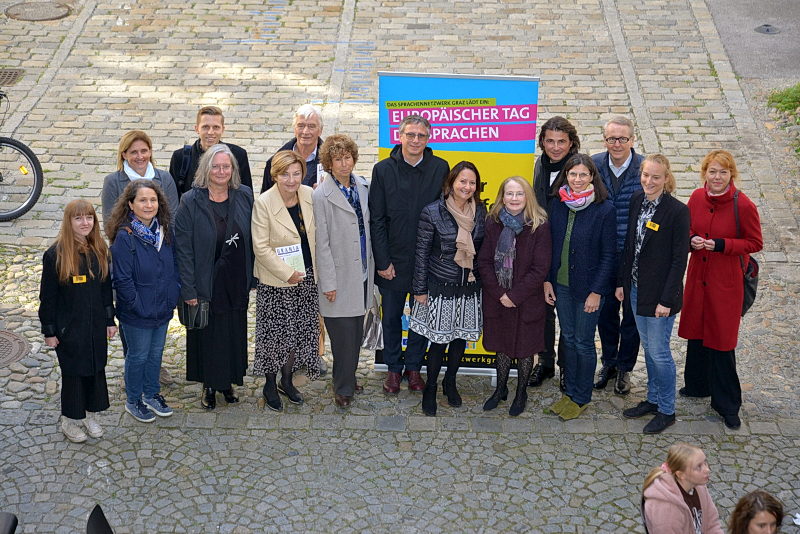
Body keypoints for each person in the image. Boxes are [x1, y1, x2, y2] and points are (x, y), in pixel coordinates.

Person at [678, 150, 763, 430]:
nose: (717, 177)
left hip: (725, 281)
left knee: (722, 340)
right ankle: (697, 385)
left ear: (731, 175)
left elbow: (755, 242)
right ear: (705, 173)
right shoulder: (696, 198)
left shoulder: (744, 205)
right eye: (712, 171)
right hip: (698, 278)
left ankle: (728, 404)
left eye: (723, 172)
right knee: (697, 333)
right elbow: (686, 228)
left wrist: (723, 244)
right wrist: (692, 239)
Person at [369, 114, 450, 394]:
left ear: (429, 139)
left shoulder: (440, 168)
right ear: (400, 136)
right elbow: (377, 219)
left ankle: (414, 367)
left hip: (426, 261)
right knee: (391, 317)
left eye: (421, 136)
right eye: (411, 135)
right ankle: (393, 368)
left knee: (421, 318)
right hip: (393, 260)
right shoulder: (382, 170)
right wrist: (383, 261)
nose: (416, 140)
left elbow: (445, 215)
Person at [174, 144, 254, 410]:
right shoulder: (190, 200)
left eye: (226, 166)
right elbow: (183, 248)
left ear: (233, 169)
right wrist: (189, 289)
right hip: (205, 280)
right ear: (206, 169)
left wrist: (253, 276)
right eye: (216, 166)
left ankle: (228, 382)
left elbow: (254, 237)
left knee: (233, 332)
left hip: (235, 279)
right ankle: (209, 384)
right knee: (208, 335)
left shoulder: (245, 195)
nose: (221, 171)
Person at [100, 130, 179, 386]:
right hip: (131, 256)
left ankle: (154, 367)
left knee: (156, 320)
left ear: (150, 152)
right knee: (133, 318)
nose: (139, 156)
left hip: (159, 253)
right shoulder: (113, 182)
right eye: (133, 152)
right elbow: (111, 223)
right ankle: (133, 366)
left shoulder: (164, 179)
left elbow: (173, 217)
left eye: (144, 151)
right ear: (124, 154)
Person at [618, 155, 690, 434]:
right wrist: (622, 282)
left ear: (666, 178)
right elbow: (630, 245)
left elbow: (678, 260)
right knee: (648, 349)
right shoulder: (637, 200)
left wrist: (666, 300)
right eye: (646, 175)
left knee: (660, 353)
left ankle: (667, 410)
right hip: (637, 289)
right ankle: (653, 399)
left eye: (656, 177)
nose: (649, 181)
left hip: (660, 295)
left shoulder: (677, 211)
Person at [410, 161, 486, 416]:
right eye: (462, 181)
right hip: (440, 287)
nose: (467, 186)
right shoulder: (432, 212)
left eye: (472, 182)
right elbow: (421, 254)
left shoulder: (480, 211)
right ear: (451, 183)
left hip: (469, 287)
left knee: (459, 340)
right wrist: (419, 290)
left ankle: (450, 382)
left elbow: (483, 250)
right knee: (438, 342)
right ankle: (431, 387)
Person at [543, 154, 615, 421]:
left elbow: (609, 255)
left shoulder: (604, 209)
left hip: (589, 289)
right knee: (568, 339)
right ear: (566, 176)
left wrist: (597, 291)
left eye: (583, 174)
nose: (577, 179)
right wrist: (547, 280)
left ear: (592, 177)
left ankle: (581, 397)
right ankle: (569, 393)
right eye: (573, 174)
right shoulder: (558, 204)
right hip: (561, 285)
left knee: (583, 343)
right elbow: (550, 246)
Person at [38, 200, 116, 443]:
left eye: (89, 218)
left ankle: (90, 415)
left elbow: (106, 290)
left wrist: (109, 320)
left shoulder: (99, 249)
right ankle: (70, 420)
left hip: (95, 327)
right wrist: (49, 330)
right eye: (78, 218)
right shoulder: (55, 255)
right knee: (74, 373)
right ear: (69, 222)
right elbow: (47, 297)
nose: (85, 223)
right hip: (69, 329)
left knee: (95, 369)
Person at [106, 181, 181, 423]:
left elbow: (174, 266)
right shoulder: (124, 237)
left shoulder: (164, 232)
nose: (149, 205)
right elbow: (122, 280)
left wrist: (173, 295)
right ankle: (133, 399)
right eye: (142, 200)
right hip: (137, 312)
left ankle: (151, 394)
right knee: (138, 356)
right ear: (131, 204)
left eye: (153, 200)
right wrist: (138, 306)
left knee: (155, 354)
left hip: (162, 308)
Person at [477, 177, 551, 416]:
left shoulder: (539, 225)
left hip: (526, 300)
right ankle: (500, 389)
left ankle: (521, 393)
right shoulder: (493, 222)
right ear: (502, 196)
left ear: (528, 197)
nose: (514, 198)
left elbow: (540, 268)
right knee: (502, 346)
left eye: (519, 194)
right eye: (509, 193)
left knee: (525, 349)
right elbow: (484, 262)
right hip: (497, 298)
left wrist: (515, 295)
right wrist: (500, 294)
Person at [252, 150, 319, 411]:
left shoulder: (309, 195)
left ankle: (287, 380)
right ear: (275, 176)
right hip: (276, 281)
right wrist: (286, 273)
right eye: (285, 174)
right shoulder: (264, 203)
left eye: (296, 174)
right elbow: (260, 247)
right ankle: (270, 384)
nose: (291, 180)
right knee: (274, 335)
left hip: (306, 276)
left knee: (298, 333)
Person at [313, 134, 373, 408]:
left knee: (355, 333)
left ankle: (348, 375)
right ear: (329, 163)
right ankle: (343, 387)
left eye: (347, 157)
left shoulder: (363, 185)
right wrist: (328, 282)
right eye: (337, 159)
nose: (344, 163)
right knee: (342, 336)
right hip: (338, 276)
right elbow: (321, 242)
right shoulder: (321, 195)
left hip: (362, 271)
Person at [592, 116, 644, 395]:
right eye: (611, 138)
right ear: (605, 140)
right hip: (604, 253)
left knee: (631, 317)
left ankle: (625, 367)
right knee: (606, 313)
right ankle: (609, 362)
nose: (617, 144)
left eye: (623, 138)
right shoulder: (594, 165)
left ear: (632, 140)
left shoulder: (644, 168)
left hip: (634, 254)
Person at [531, 116, 580, 390]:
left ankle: (567, 367)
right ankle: (545, 362)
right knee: (543, 310)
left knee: (567, 313)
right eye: (550, 141)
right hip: (542, 247)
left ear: (571, 143)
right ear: (542, 142)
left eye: (561, 141)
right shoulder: (540, 164)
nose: (555, 147)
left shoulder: (578, 169)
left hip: (568, 251)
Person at [169, 106, 252, 198]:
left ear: (222, 129)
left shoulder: (238, 155)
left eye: (216, 127)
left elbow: (246, 195)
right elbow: (173, 197)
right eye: (205, 127)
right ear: (197, 129)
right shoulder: (180, 157)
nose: (210, 132)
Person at [642, 442, 723, 534]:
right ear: (681, 474)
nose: (707, 470)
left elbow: (712, 523)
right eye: (698, 467)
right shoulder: (667, 510)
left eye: (705, 462)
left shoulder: (699, 486)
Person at [261, 104, 325, 192]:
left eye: (311, 126)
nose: (305, 132)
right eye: (301, 126)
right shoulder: (274, 162)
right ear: (294, 129)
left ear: (320, 130)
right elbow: (266, 196)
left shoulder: (331, 162)